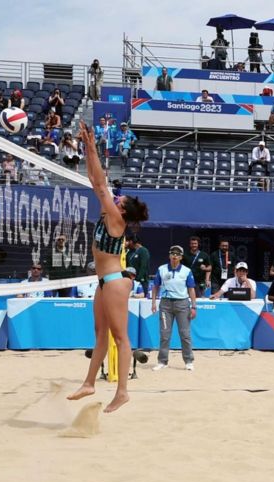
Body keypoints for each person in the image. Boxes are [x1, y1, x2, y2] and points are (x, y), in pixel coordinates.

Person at [67, 123, 150, 413]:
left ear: (123, 210)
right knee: (100, 333)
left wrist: (90, 145)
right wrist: (88, 148)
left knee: (120, 336)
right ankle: (89, 382)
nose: (116, 198)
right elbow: (94, 179)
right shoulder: (109, 212)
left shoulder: (117, 219)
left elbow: (101, 185)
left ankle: (123, 391)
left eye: (120, 200)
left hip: (114, 280)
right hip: (104, 281)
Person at [151, 245, 197, 371]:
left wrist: (194, 306)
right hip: (165, 304)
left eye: (177, 254)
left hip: (182, 304)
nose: (175, 256)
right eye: (172, 254)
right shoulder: (162, 269)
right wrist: (153, 302)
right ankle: (162, 361)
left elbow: (191, 289)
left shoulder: (186, 271)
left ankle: (188, 361)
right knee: (165, 334)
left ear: (181, 257)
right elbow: (156, 286)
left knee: (185, 334)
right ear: (169, 255)